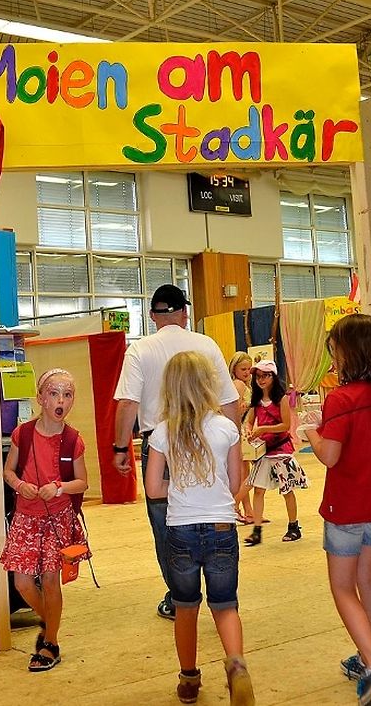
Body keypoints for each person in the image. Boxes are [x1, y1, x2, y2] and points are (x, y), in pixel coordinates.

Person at [113, 284, 241, 620]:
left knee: (165, 524)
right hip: (210, 439)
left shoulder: (140, 349)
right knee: (214, 511)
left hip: (162, 443)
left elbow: (127, 403)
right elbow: (230, 401)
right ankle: (222, 593)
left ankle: (180, 598)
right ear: (185, 312)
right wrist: (233, 443)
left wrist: (120, 447)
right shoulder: (206, 344)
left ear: (152, 315)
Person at [298, 314, 371, 706]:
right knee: (368, 579)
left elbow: (330, 455)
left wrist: (310, 430)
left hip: (346, 507)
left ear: (346, 351)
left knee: (343, 587)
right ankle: (367, 656)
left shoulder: (340, 399)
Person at [145, 351, 255, 706]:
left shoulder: (162, 432)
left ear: (169, 388)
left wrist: (178, 487)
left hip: (181, 531)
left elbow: (153, 489)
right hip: (222, 527)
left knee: (186, 607)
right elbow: (236, 483)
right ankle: (236, 666)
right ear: (209, 384)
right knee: (225, 605)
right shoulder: (226, 428)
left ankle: (189, 679)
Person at [0, 368, 90, 673]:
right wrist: (19, 485)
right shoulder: (22, 434)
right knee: (23, 583)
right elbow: (8, 471)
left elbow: (82, 482)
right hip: (26, 518)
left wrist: (59, 487)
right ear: (40, 398)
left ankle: (50, 643)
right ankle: (50, 620)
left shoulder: (73, 440)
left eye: (67, 394)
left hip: (58, 519)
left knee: (51, 580)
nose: (61, 400)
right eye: (54, 393)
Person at [243, 360, 305, 547]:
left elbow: (285, 425)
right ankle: (257, 530)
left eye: (265, 375)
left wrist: (262, 429)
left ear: (273, 377)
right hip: (263, 450)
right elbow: (249, 421)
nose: (261, 380)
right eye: (258, 376)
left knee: (287, 489)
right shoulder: (256, 400)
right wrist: (248, 430)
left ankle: (293, 526)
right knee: (258, 489)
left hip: (281, 450)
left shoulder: (281, 399)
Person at [228, 352, 259, 524]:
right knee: (248, 473)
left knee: (244, 472)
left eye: (249, 369)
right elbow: (236, 411)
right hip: (242, 431)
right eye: (243, 369)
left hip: (244, 431)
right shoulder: (238, 385)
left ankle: (248, 510)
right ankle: (235, 506)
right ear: (234, 369)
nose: (247, 372)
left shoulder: (245, 385)